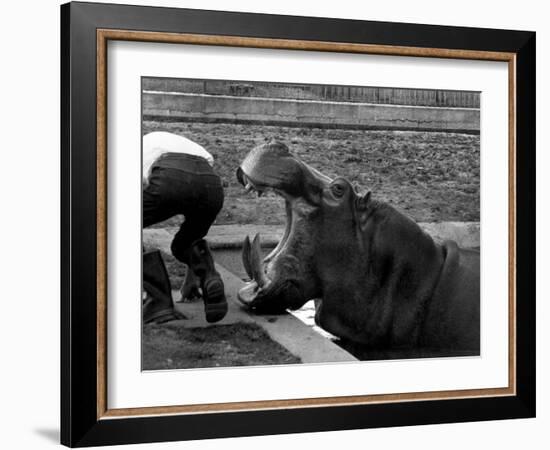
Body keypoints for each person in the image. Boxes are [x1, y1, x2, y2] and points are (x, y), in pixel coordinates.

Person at [142, 131, 227, 324]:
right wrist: (192, 278)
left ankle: (158, 302)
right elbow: (196, 184)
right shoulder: (175, 142)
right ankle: (209, 277)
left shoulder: (137, 149)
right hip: (211, 185)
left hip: (170, 177)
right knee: (184, 243)